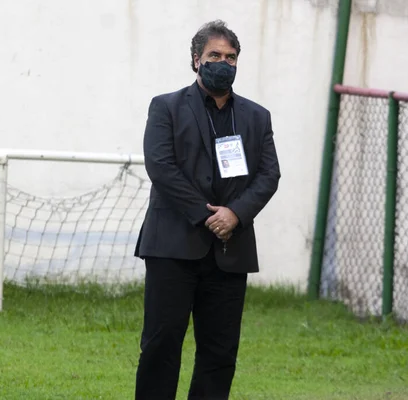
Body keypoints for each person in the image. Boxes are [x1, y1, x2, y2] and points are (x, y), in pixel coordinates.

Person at [134, 20, 281, 400]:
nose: (223, 62)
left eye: (231, 57)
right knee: (161, 345)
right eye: (215, 55)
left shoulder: (256, 116)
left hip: (230, 250)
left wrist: (234, 214)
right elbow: (161, 167)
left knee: (220, 353)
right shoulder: (165, 107)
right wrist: (206, 214)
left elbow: (268, 175)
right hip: (173, 246)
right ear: (196, 60)